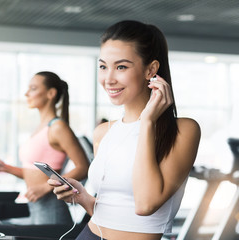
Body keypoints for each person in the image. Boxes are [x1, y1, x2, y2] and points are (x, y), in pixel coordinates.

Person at [49, 20, 201, 240]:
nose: (108, 79)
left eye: (121, 67)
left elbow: (145, 204)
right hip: (89, 234)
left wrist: (147, 122)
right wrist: (82, 197)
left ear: (151, 69)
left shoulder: (184, 130)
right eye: (103, 66)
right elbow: (113, 215)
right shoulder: (103, 132)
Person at [0, 71, 90, 225]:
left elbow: (84, 167)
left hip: (51, 209)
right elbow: (34, 173)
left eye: (33, 88)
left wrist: (45, 187)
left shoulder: (58, 127)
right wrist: (5, 167)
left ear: (50, 93)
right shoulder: (40, 128)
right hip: (35, 207)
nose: (27, 93)